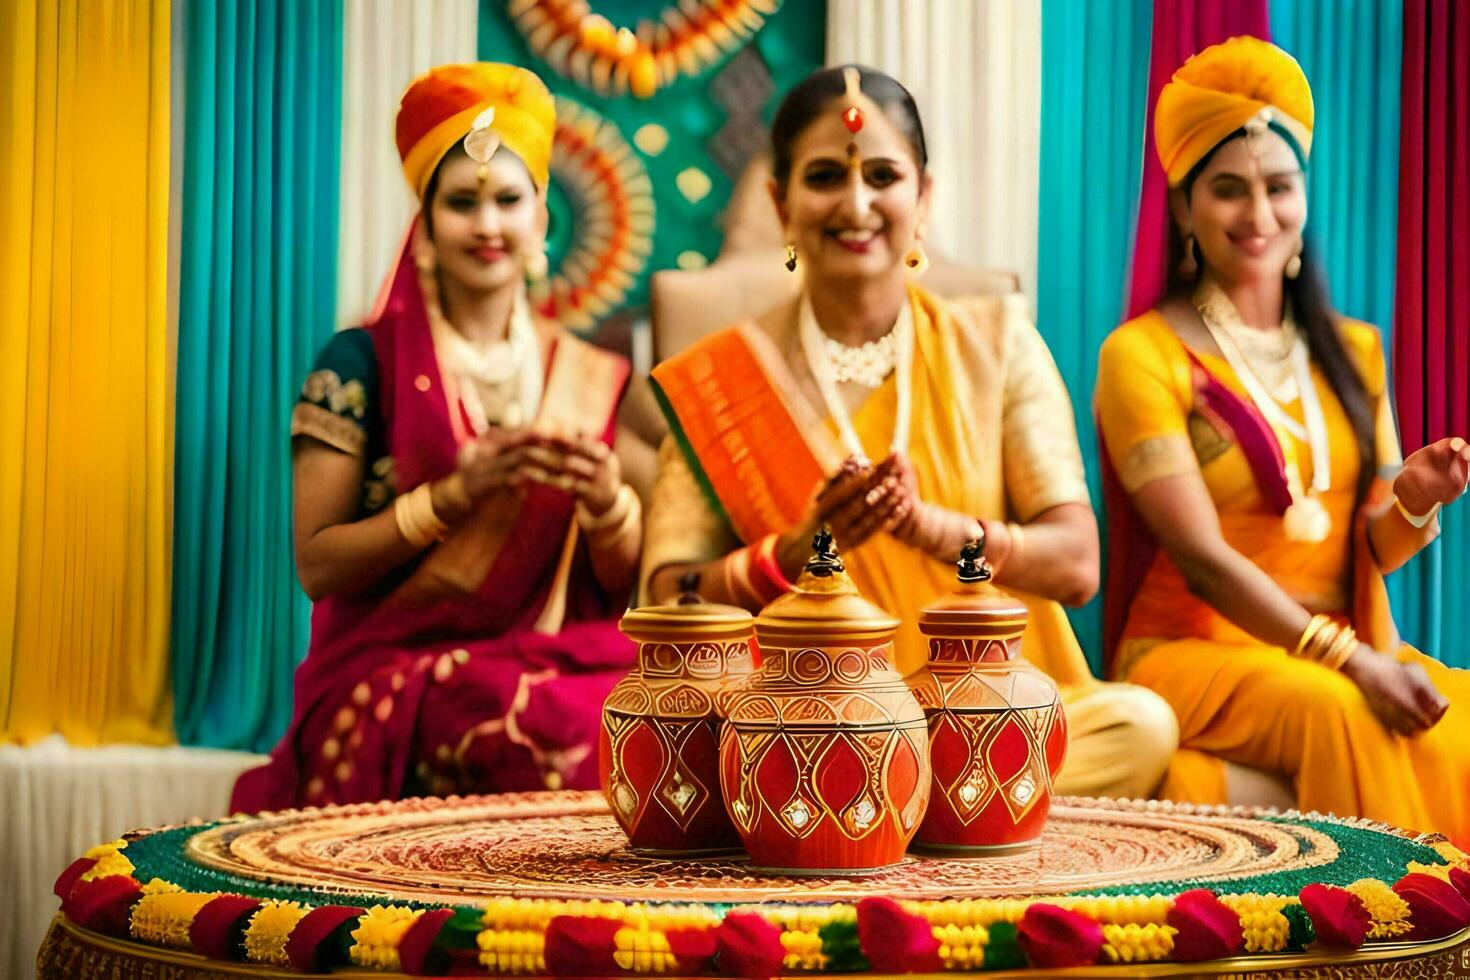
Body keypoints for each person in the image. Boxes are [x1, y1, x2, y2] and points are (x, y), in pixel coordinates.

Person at [644, 65, 1179, 800]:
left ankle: (895, 812)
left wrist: (935, 532)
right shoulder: (719, 378)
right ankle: (940, 815)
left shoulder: (997, 343)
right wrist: (791, 556)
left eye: (884, 176)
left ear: (922, 197)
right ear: (781, 202)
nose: (856, 203)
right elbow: (665, 596)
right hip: (807, 724)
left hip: (984, 720)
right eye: (826, 176)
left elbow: (1077, 564)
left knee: (1138, 724)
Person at [232, 63, 640, 811]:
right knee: (543, 724)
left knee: (656, 706)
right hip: (391, 668)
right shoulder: (360, 363)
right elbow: (318, 566)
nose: (488, 226)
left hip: (549, 654)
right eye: (463, 202)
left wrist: (608, 502)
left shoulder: (587, 375)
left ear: (542, 217)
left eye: (509, 200)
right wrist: (453, 496)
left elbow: (616, 589)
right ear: (425, 220)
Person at [1096, 36, 1470, 837]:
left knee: (1462, 722)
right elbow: (1202, 561)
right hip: (1193, 653)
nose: (1258, 215)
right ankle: (1380, 948)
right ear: (1186, 209)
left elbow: (1372, 550)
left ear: (1304, 197)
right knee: (1341, 709)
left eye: (1278, 187)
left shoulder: (1355, 352)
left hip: (1340, 643)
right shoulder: (1142, 355)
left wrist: (1412, 500)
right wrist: (1353, 662)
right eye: (1228, 190)